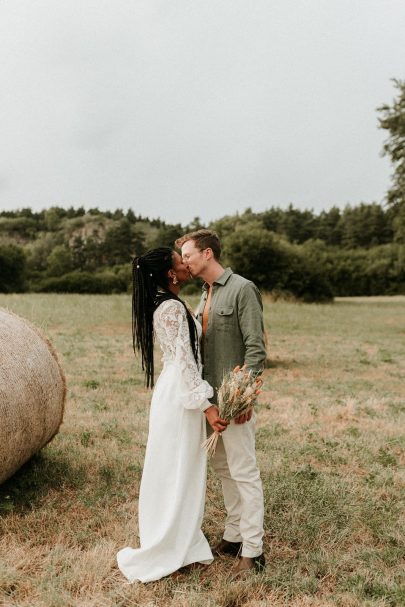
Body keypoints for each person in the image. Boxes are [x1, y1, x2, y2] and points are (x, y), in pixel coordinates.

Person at [116, 247, 217, 583]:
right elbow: (186, 362)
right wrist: (207, 405)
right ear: (171, 274)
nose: (185, 264)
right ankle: (169, 543)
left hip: (173, 391)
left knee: (173, 466)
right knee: (178, 466)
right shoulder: (171, 307)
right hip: (181, 395)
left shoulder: (165, 303)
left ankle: (180, 538)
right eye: (179, 261)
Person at [176, 229, 267, 577]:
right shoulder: (203, 293)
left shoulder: (243, 289)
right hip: (209, 401)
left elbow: (256, 349)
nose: (185, 261)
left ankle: (254, 549)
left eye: (188, 255)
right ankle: (233, 534)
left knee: (244, 471)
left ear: (208, 253)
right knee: (222, 468)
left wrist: (242, 396)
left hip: (234, 401)